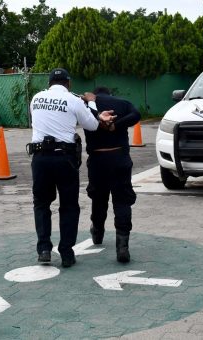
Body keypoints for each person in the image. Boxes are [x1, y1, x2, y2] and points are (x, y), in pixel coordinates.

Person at [29, 68, 115, 268]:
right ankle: (66, 253)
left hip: (40, 157)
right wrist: (91, 102)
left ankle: (43, 249)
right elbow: (93, 125)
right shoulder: (74, 100)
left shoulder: (36, 98)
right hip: (64, 159)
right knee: (68, 206)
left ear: (50, 83)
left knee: (41, 203)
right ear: (68, 83)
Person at [83, 86, 140, 263]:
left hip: (97, 159)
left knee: (99, 199)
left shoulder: (88, 105)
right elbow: (136, 115)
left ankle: (98, 232)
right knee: (122, 201)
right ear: (109, 94)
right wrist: (116, 125)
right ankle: (122, 245)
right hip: (119, 157)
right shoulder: (122, 104)